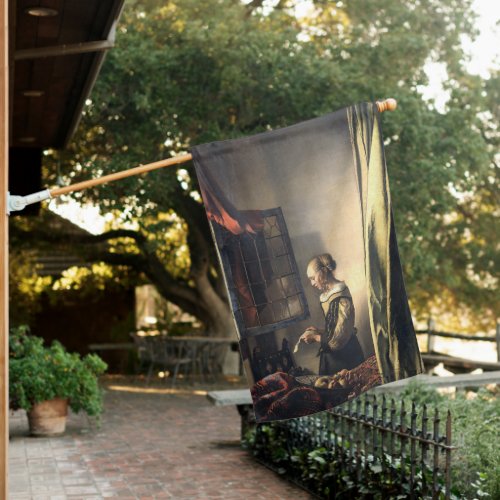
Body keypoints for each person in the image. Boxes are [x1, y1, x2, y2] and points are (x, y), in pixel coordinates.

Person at [300, 253, 364, 375]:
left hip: (345, 358)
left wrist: (315, 337)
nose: (312, 283)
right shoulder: (327, 296)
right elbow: (335, 327)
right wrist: (319, 330)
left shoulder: (340, 295)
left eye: (313, 278)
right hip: (334, 357)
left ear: (323, 272)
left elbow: (338, 339)